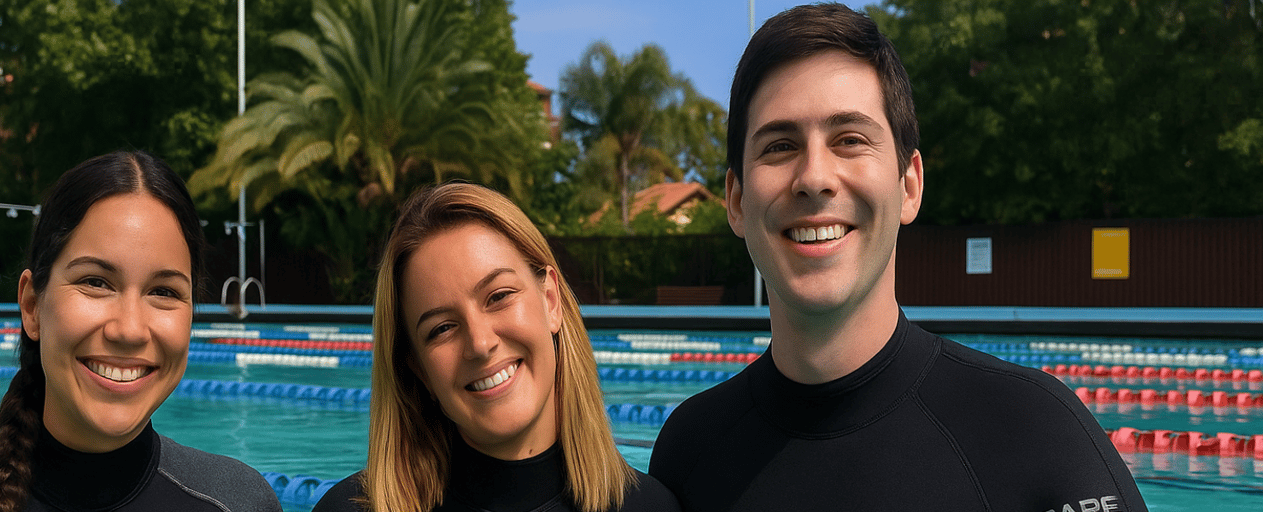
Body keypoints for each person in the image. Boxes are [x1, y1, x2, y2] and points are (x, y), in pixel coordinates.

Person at [648, 4, 1147, 512]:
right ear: (735, 201)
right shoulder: (690, 452)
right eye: (779, 146)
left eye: (850, 139)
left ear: (909, 186)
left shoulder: (1036, 432)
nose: (814, 176)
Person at [0, 151, 281, 512]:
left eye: (164, 292)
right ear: (32, 306)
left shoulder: (239, 502)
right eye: (96, 282)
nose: (129, 330)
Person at [313, 183, 678, 512]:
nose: (480, 343)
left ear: (551, 301)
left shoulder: (649, 506)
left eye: (499, 296)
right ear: (419, 369)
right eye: (441, 328)